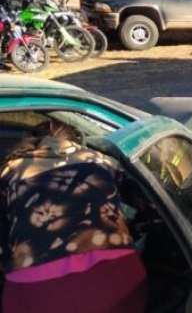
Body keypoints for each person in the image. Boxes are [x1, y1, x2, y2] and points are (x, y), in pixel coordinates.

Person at [0, 120, 147, 312]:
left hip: (35, 292)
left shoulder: (8, 171)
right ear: (74, 142)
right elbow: (147, 204)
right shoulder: (102, 161)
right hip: (117, 278)